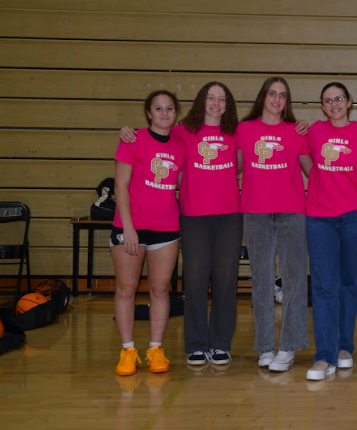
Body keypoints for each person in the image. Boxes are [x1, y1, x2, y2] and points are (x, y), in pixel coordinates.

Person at [119, 82, 243, 367]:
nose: (215, 103)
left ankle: (221, 343)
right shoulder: (182, 131)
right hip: (193, 216)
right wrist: (127, 131)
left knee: (225, 281)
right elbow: (151, 135)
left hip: (229, 217)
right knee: (196, 281)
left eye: (221, 99)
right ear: (201, 101)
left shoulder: (236, 133)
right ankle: (197, 344)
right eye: (210, 98)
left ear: (228, 105)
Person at [237, 77, 313, 373]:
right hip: (255, 212)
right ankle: (266, 346)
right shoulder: (245, 129)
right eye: (272, 93)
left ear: (287, 101)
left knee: (294, 280)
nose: (277, 99)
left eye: (283, 95)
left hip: (292, 212)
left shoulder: (295, 131)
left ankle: (290, 347)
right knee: (262, 281)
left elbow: (314, 171)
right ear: (263, 97)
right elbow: (232, 165)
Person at [305, 82, 357, 381]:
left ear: (349, 102)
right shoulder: (313, 132)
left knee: (350, 283)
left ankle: (344, 347)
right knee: (324, 285)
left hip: (356, 215)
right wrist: (320, 177)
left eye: (339, 99)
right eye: (327, 100)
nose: (334, 104)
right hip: (320, 216)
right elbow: (304, 159)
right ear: (322, 106)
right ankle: (324, 355)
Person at [111, 90, 184, 376]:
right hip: (130, 227)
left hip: (166, 228)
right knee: (126, 289)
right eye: (158, 108)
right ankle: (128, 350)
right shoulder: (134, 139)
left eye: (169, 108)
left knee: (160, 290)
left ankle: (155, 349)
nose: (164, 113)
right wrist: (129, 228)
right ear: (149, 114)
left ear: (175, 113)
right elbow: (120, 186)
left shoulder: (180, 143)